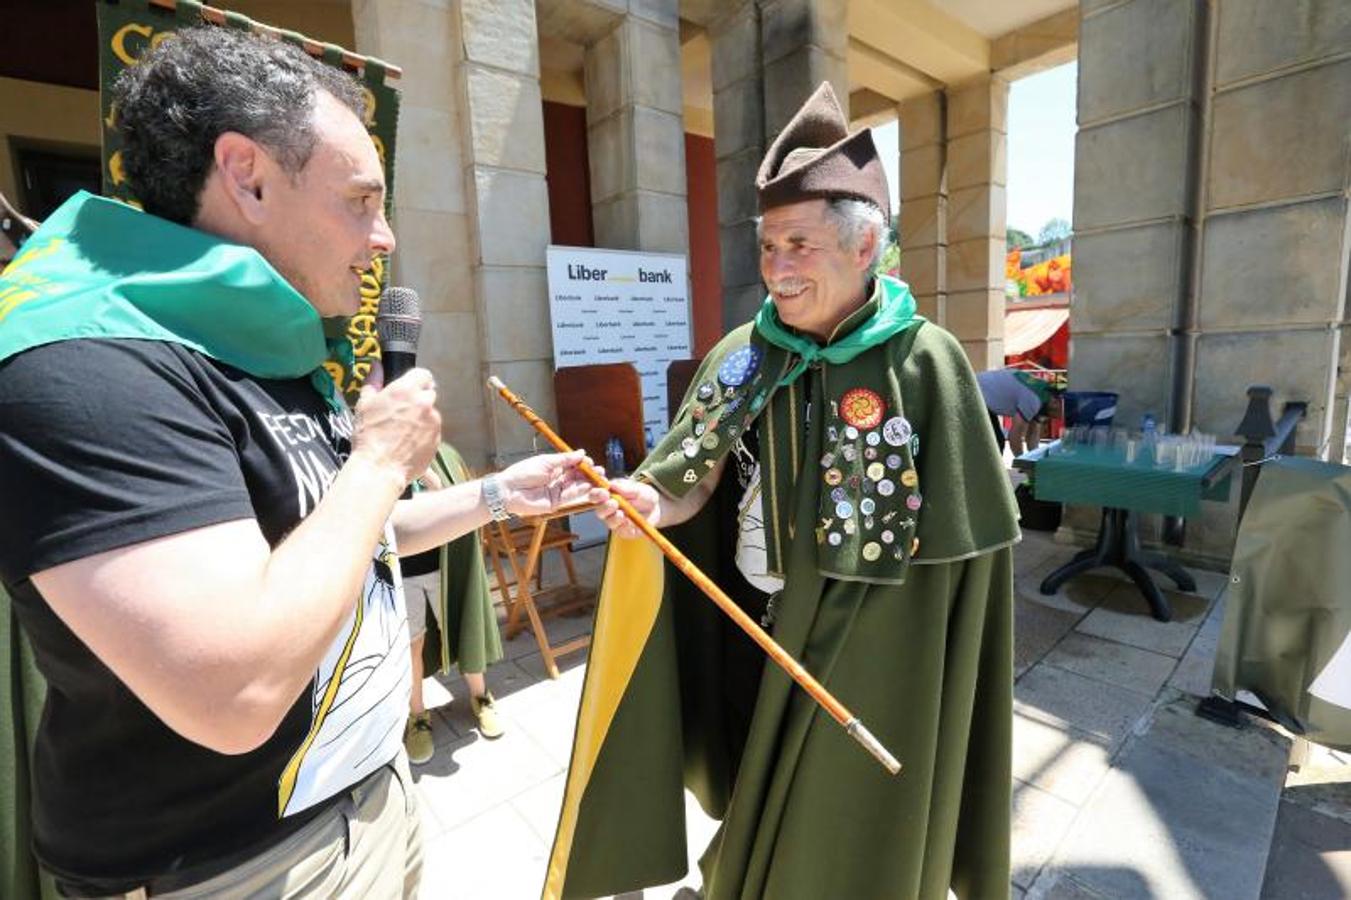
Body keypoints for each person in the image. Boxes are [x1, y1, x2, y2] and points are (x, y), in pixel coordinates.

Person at [0, 27, 599, 899]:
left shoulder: (260, 340)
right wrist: (379, 458)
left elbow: (334, 539)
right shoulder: (87, 368)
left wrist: (498, 493)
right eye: (361, 199)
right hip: (230, 865)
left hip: (363, 794)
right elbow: (236, 691)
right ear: (246, 175)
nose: (385, 237)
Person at [545, 82, 1020, 900]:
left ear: (864, 246)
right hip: (752, 628)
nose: (776, 269)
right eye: (767, 247)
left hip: (875, 646)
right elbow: (685, 475)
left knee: (843, 827)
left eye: (798, 244)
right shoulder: (743, 350)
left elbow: (962, 564)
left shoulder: (927, 360)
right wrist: (646, 504)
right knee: (756, 790)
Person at [402, 443, 507, 766]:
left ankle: (480, 698)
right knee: (411, 647)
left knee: (465, 627)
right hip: (400, 574)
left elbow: (463, 507)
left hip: (446, 569)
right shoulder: (375, 461)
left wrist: (429, 477)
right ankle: (418, 717)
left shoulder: (445, 454)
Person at [977, 367, 1065, 456]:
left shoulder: (1043, 395)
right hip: (974, 393)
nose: (1062, 418)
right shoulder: (1033, 400)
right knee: (995, 443)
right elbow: (1014, 436)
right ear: (1055, 402)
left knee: (995, 442)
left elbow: (1032, 435)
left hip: (981, 394)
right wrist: (1022, 462)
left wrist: (1034, 460)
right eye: (1063, 413)